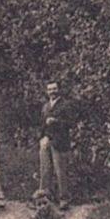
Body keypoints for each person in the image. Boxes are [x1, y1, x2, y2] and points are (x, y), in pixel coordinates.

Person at [38, 80, 75, 209]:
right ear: (47, 92)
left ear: (59, 90)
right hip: (46, 140)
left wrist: (56, 121)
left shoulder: (66, 105)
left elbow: (71, 123)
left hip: (60, 141)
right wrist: (42, 137)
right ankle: (44, 197)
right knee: (45, 170)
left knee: (60, 171)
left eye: (54, 89)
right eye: (50, 89)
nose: (52, 91)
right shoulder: (45, 106)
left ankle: (64, 199)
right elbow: (42, 123)